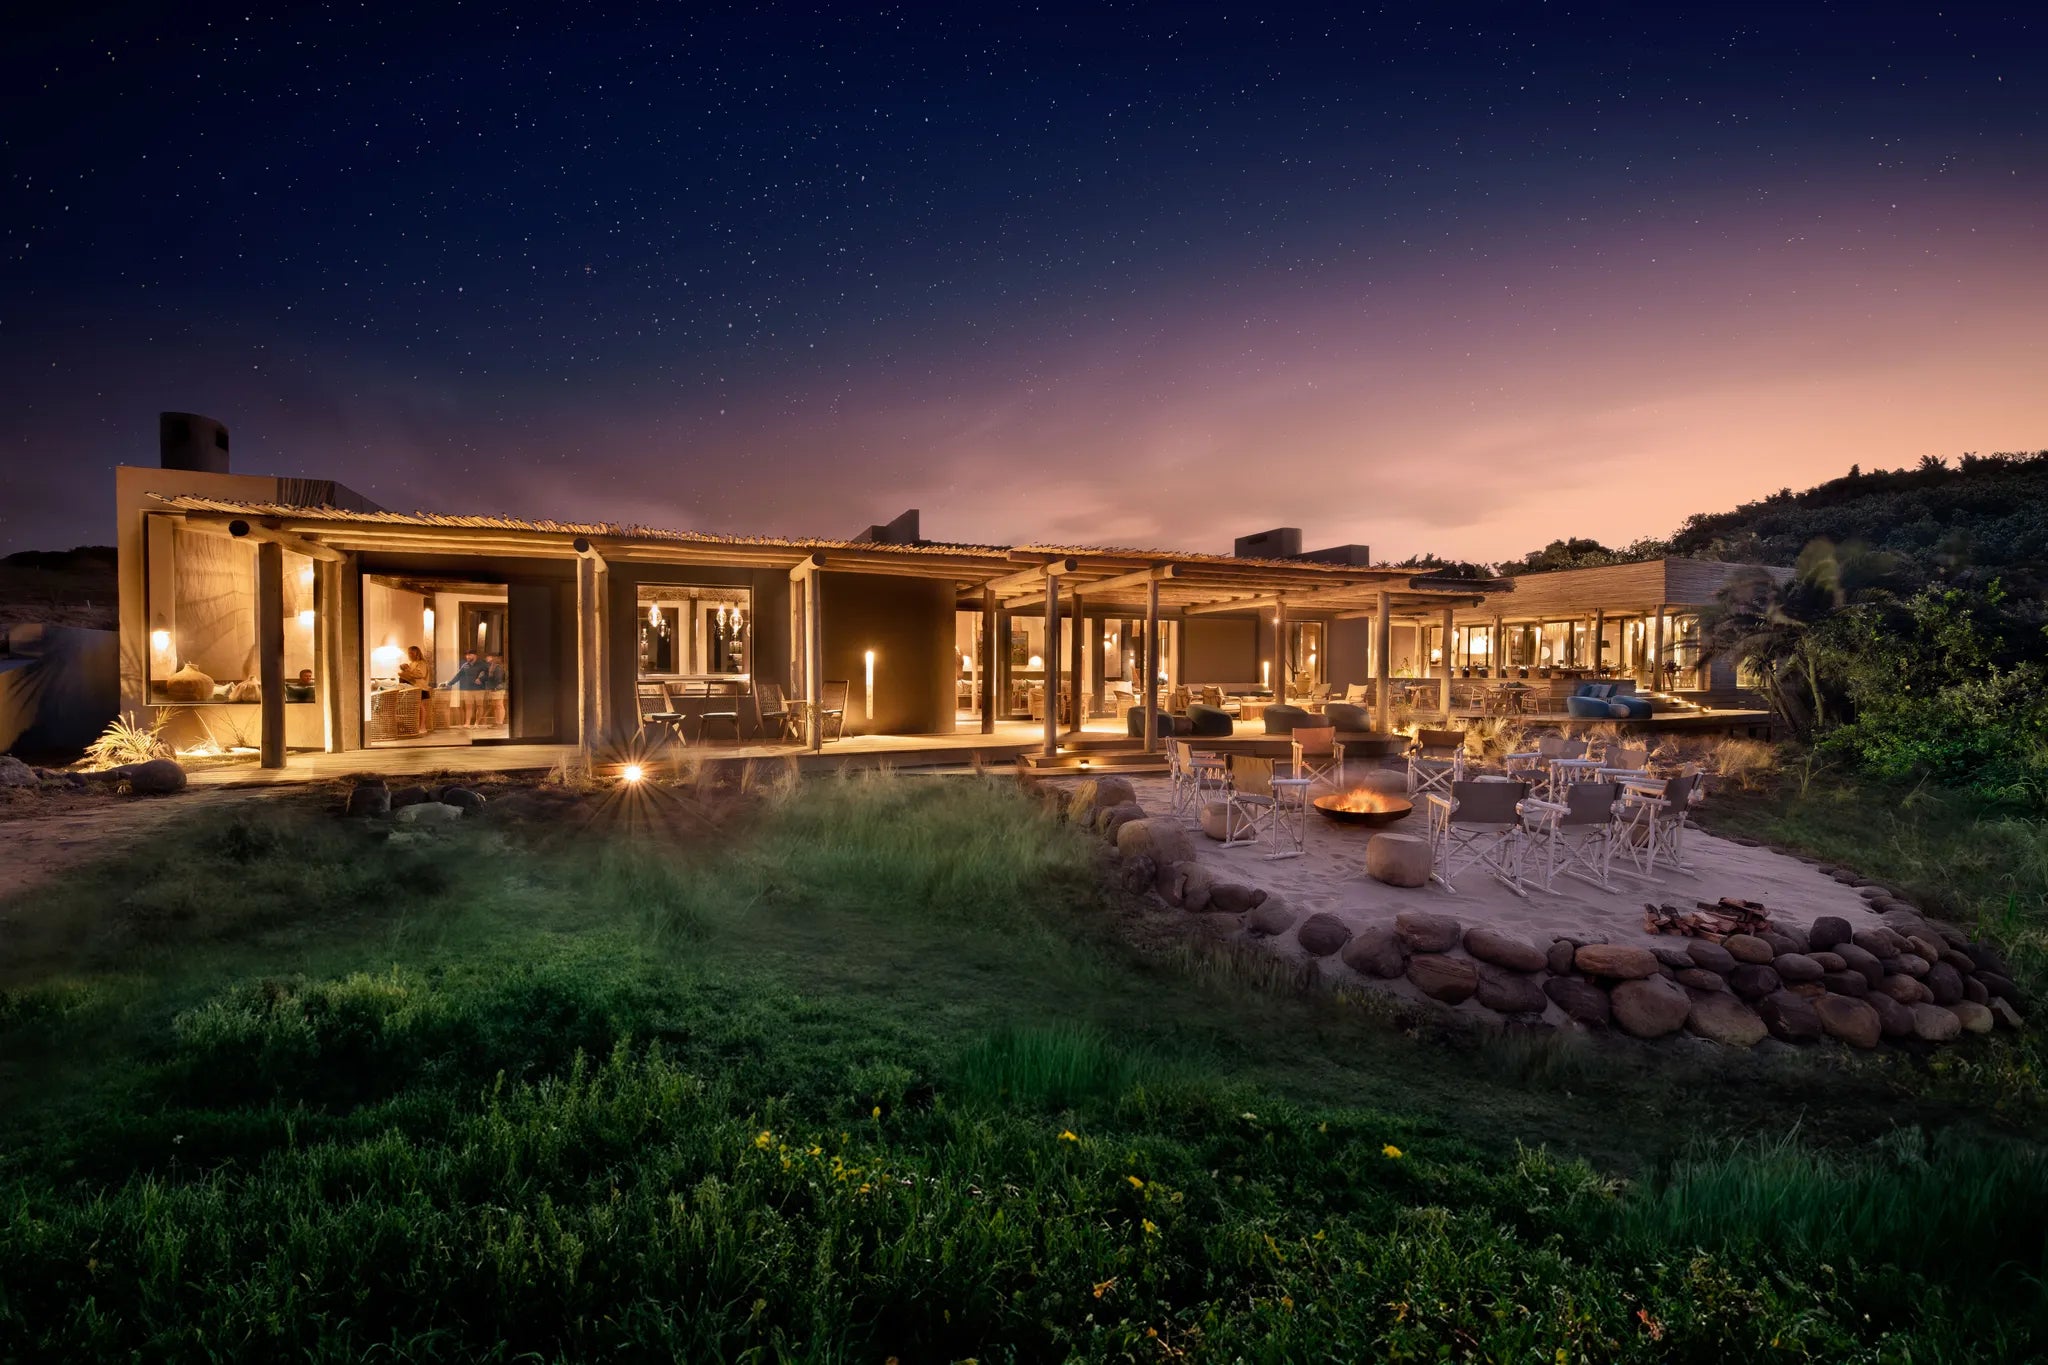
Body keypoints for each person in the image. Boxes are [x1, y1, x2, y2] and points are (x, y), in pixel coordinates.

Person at [444, 649, 487, 726]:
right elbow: (458, 676)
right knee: (468, 706)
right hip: (468, 689)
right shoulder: (465, 665)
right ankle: (467, 723)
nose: (467, 656)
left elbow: (488, 674)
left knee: (479, 706)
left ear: (475, 655)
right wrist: (450, 683)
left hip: (479, 689)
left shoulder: (482, 664)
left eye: (470, 655)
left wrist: (481, 679)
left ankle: (477, 723)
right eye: (466, 655)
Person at [398, 645, 433, 732]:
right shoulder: (412, 663)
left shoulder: (421, 663)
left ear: (416, 653)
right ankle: (418, 726)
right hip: (413, 687)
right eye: (409, 653)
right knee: (417, 707)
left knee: (420, 706)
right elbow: (410, 675)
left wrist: (408, 670)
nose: (410, 654)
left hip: (420, 687)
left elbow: (421, 674)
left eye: (411, 653)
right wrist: (404, 670)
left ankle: (423, 726)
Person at [481, 652, 508, 727]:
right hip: (493, 688)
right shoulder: (491, 666)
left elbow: (498, 679)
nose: (487, 658)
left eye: (488, 657)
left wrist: (495, 686)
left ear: (493, 658)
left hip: (498, 688)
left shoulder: (497, 667)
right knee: (496, 706)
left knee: (499, 705)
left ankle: (500, 722)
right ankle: (497, 722)